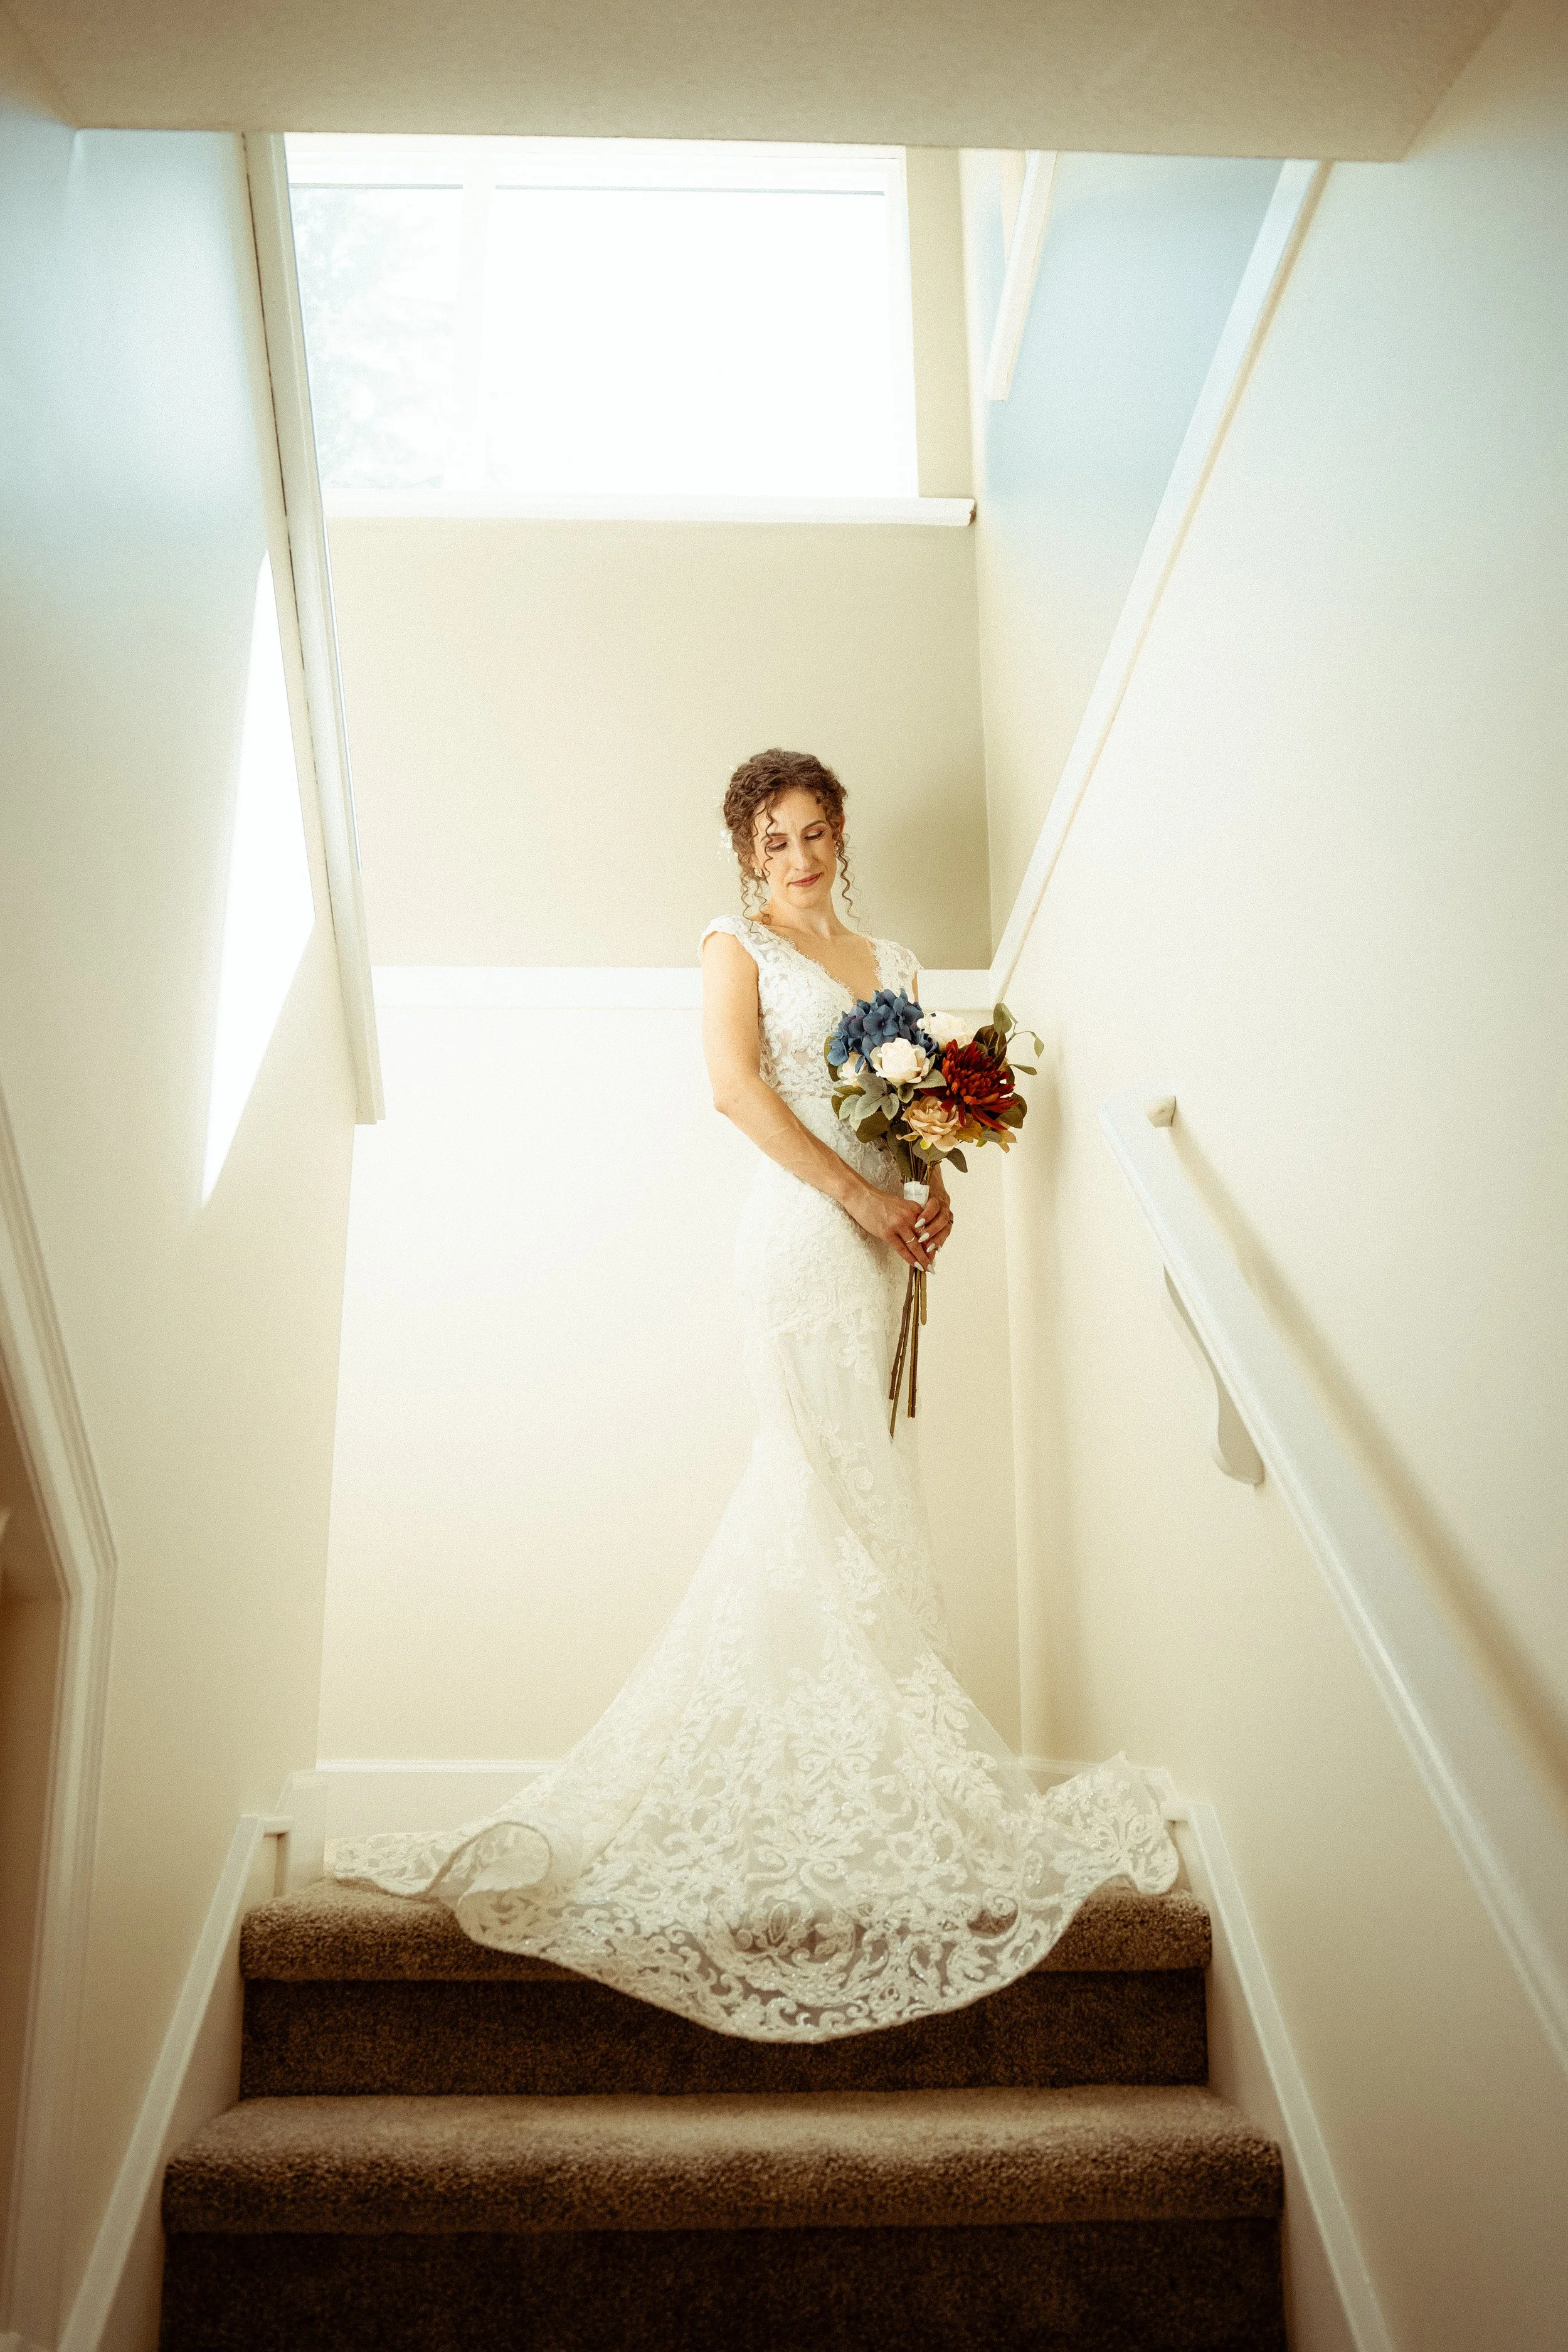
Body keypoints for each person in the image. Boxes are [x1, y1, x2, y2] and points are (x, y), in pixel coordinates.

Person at [332, 748, 1176, 2040]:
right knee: (811, 1498)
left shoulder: (889, 962)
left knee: (870, 1506)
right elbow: (733, 1090)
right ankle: (809, 1810)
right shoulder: (735, 944)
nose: (797, 855)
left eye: (815, 831)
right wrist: (852, 1198)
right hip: (796, 1247)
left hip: (884, 1250)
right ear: (744, 852)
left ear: (842, 835)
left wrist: (925, 1181)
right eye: (773, 837)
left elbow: (897, 1115)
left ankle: (857, 1806)